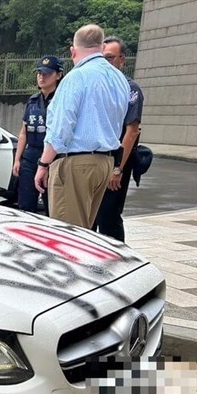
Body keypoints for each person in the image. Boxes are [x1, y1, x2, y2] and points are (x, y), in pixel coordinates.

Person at [34, 24, 129, 229]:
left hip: (75, 163)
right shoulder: (119, 79)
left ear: (73, 50)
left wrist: (43, 164)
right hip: (104, 161)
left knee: (67, 236)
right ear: (101, 47)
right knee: (84, 232)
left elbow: (61, 129)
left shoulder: (76, 77)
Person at [94, 35, 144, 242]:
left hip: (116, 161)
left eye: (110, 58)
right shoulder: (95, 86)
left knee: (109, 216)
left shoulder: (130, 90)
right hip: (94, 160)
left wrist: (117, 169)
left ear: (122, 60)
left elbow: (131, 131)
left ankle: (116, 263)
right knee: (90, 217)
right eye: (101, 58)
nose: (105, 63)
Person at [12, 56, 64, 214]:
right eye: (39, 73)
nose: (42, 76)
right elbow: (23, 132)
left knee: (52, 205)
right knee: (25, 205)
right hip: (31, 155)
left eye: (47, 73)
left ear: (58, 75)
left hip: (52, 155)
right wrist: (17, 159)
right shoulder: (33, 100)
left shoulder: (62, 100)